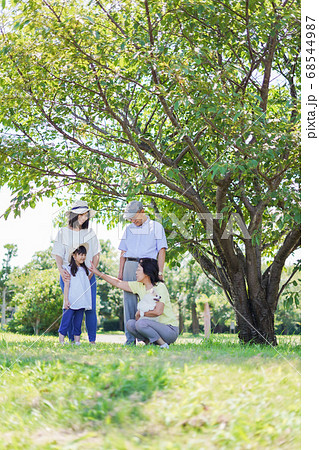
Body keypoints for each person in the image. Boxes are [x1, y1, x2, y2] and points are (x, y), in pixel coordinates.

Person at [90, 258, 179, 348]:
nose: (136, 272)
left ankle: (163, 344)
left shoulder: (159, 287)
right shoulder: (139, 286)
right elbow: (118, 283)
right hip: (152, 327)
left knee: (140, 323)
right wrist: (97, 272)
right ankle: (150, 343)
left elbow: (158, 312)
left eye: (138, 270)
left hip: (169, 330)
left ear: (147, 272)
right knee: (130, 324)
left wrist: (141, 313)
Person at [118, 200, 168, 345]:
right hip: (130, 264)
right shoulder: (128, 229)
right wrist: (120, 272)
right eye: (130, 218)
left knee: (151, 302)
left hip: (148, 266)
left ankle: (151, 338)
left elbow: (161, 250)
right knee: (129, 302)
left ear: (142, 211)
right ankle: (130, 339)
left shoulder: (156, 227)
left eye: (134, 217)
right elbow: (123, 251)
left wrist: (160, 272)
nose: (133, 220)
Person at [52, 200, 101, 343]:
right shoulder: (63, 232)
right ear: (74, 215)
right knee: (70, 307)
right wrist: (61, 270)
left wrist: (91, 272)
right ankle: (71, 340)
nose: (84, 218)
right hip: (68, 275)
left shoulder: (90, 233)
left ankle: (92, 341)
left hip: (87, 275)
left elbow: (97, 254)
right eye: (81, 215)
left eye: (86, 215)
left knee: (90, 309)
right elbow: (58, 254)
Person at [58, 244, 92, 345]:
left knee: (78, 322)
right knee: (66, 321)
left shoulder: (85, 270)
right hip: (71, 300)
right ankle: (61, 340)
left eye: (84, 254)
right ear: (74, 255)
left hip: (81, 301)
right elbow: (66, 286)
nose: (83, 257)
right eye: (80, 254)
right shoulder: (68, 269)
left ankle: (77, 341)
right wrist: (66, 300)